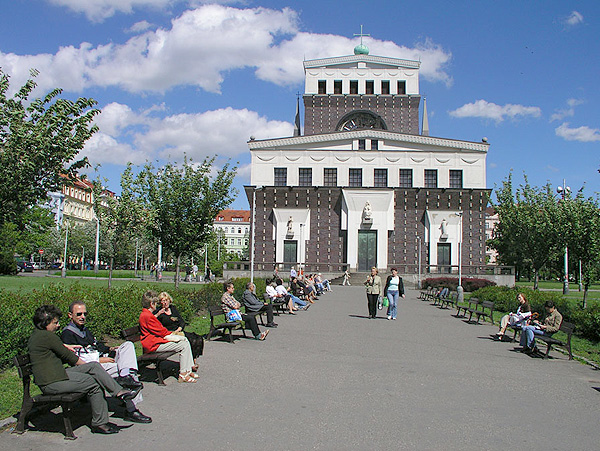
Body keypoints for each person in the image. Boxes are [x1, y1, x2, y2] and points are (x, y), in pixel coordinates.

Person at [28, 305, 145, 434]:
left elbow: (54, 348)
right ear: (45, 323)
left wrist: (84, 364)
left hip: (57, 375)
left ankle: (119, 392)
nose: (58, 325)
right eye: (55, 323)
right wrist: (84, 367)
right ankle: (100, 423)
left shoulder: (39, 335)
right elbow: (69, 357)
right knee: (94, 383)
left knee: (93, 366)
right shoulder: (48, 337)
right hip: (52, 382)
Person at [61, 301, 143, 390]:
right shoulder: (67, 333)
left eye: (85, 314)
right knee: (124, 369)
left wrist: (110, 349)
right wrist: (99, 360)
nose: (83, 317)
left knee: (128, 345)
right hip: (92, 365)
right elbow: (75, 358)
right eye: (79, 314)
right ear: (70, 315)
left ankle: (126, 377)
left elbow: (96, 344)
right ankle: (128, 394)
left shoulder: (84, 329)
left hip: (102, 357)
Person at [139, 290, 197, 383]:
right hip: (153, 346)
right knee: (183, 344)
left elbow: (159, 330)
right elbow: (160, 331)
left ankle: (188, 370)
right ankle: (183, 374)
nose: (157, 305)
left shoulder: (146, 314)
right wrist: (173, 335)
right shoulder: (147, 316)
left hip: (155, 342)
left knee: (185, 341)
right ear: (151, 304)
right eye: (156, 303)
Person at [155, 292, 204, 360]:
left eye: (167, 300)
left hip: (178, 331)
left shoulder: (173, 309)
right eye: (163, 301)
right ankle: (191, 362)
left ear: (169, 300)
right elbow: (152, 321)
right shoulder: (158, 312)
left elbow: (181, 321)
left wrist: (179, 329)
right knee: (191, 340)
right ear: (160, 302)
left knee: (198, 338)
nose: (165, 303)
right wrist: (158, 314)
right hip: (169, 334)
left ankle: (193, 358)